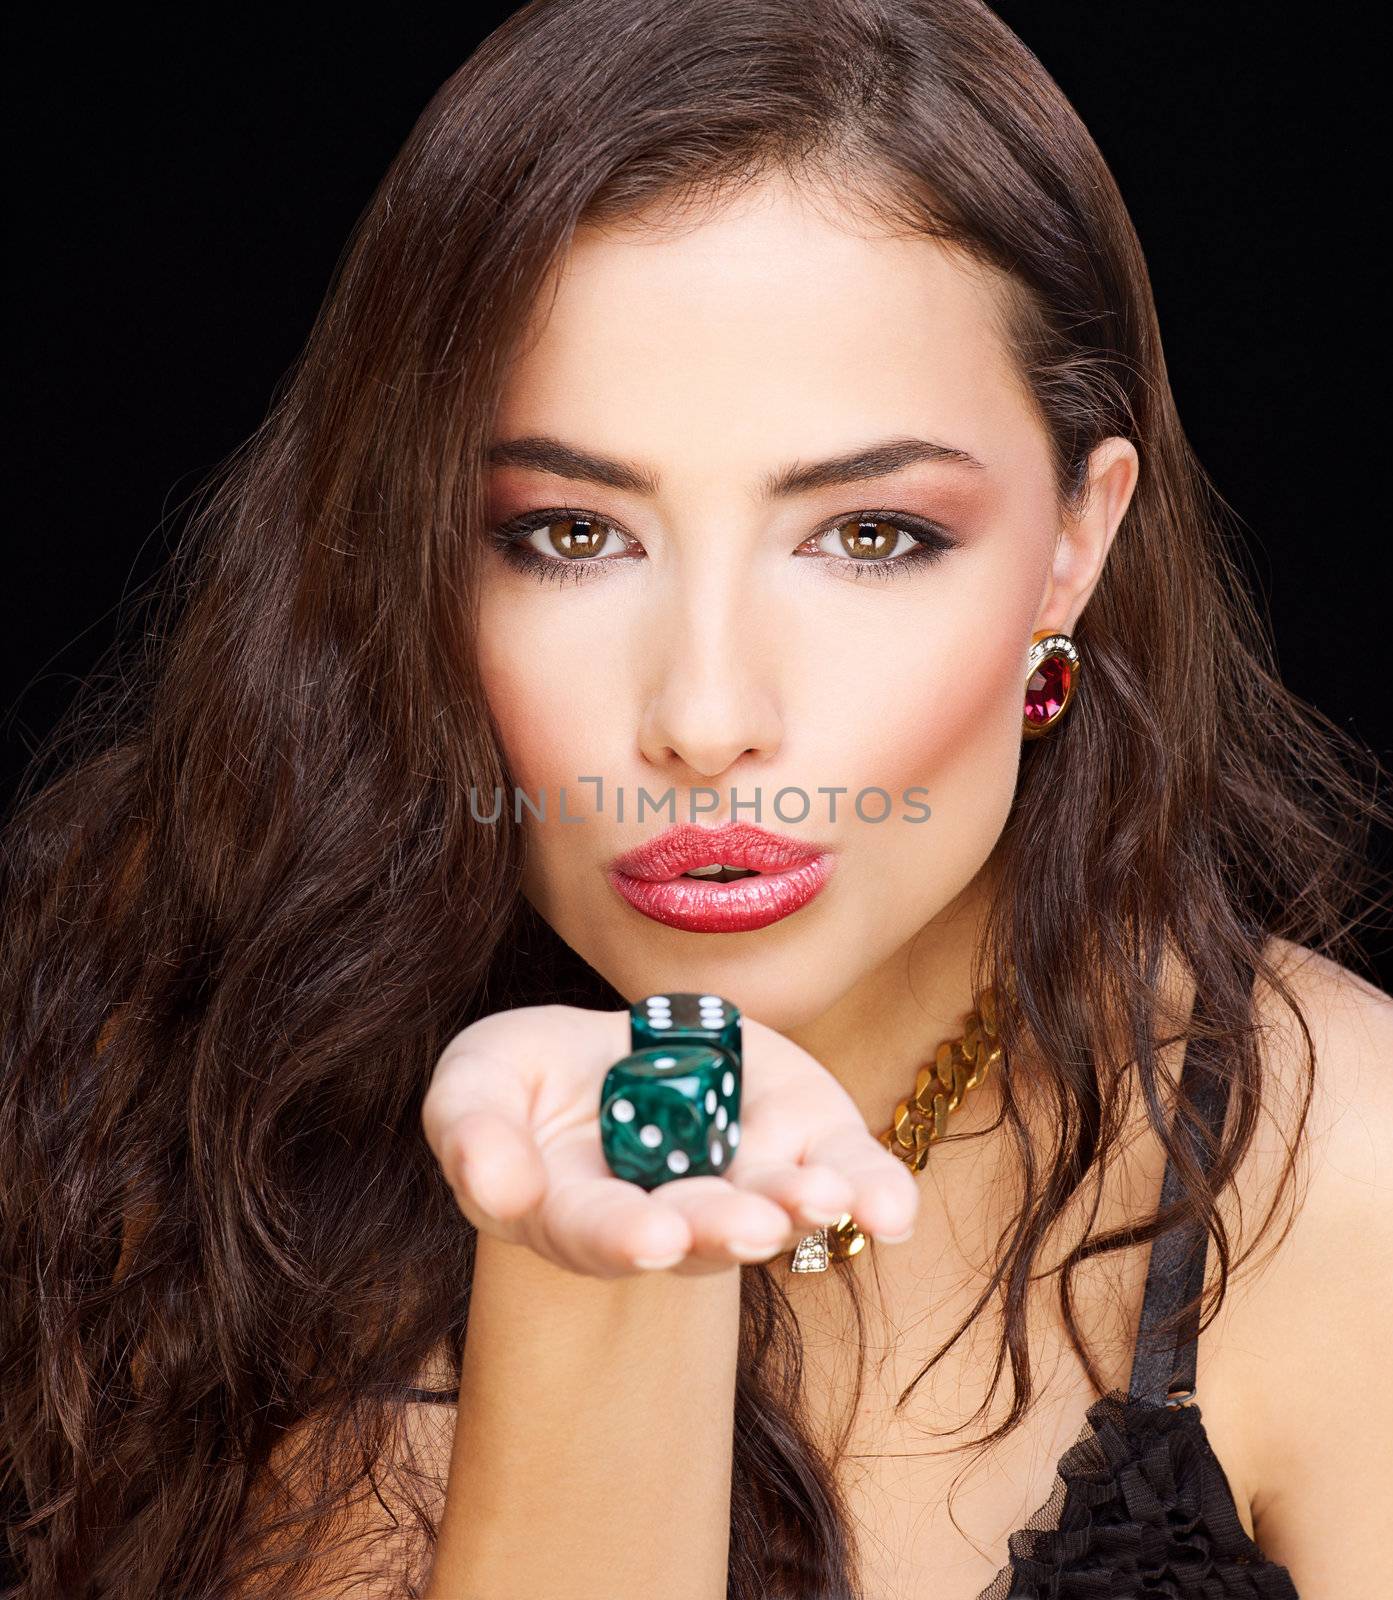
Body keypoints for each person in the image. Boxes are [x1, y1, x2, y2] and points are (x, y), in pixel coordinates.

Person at [4, 2, 1390, 1597]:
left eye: (869, 534)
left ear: (1075, 542)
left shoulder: (1343, 1180)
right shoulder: (163, 1120)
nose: (704, 717)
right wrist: (594, 1277)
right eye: (569, 534)